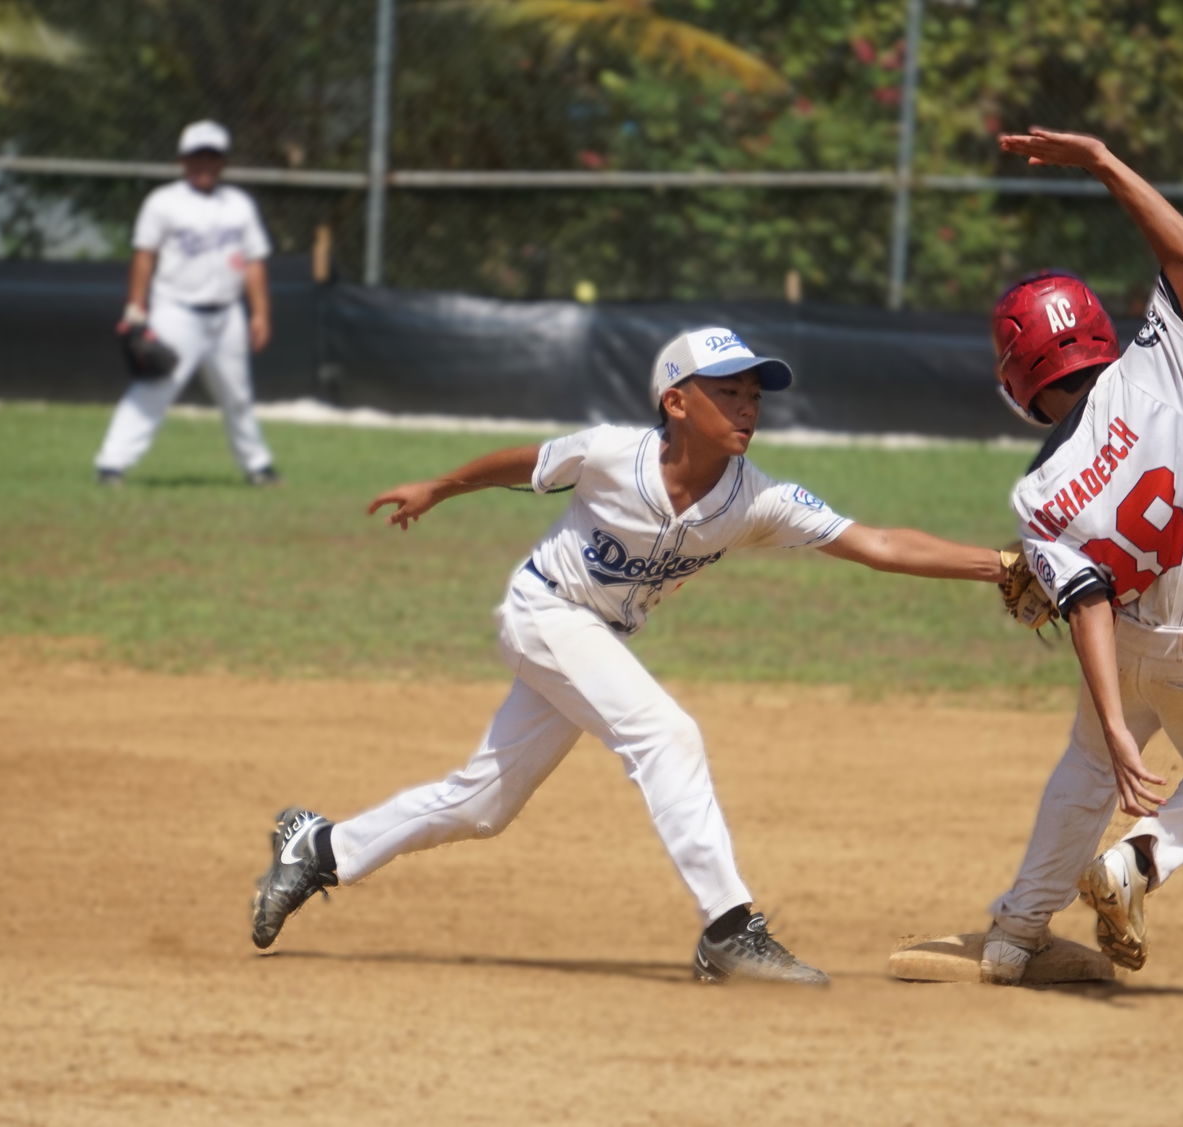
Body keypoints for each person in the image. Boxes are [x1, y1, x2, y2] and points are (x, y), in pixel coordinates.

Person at [249, 326, 1011, 985]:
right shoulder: (614, 453)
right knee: (665, 732)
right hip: (544, 611)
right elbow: (527, 463)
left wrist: (1002, 565)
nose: (749, 406)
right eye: (729, 392)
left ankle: (319, 845)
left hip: (597, 640)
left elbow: (877, 544)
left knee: (481, 806)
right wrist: (438, 487)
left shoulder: (756, 498)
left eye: (755, 394)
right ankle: (728, 929)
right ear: (676, 401)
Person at [974, 128, 1183, 985]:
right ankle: (1133, 864)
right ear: (1097, 334)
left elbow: (1088, 601)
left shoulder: (1036, 496)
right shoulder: (1157, 363)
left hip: (1130, 645)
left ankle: (1017, 931)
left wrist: (1113, 720)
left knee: (1088, 762)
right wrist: (1103, 161)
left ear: (1020, 376)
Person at [92, 119, 280, 487]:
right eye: (197, 157)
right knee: (154, 388)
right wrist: (136, 308)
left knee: (237, 394)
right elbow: (144, 255)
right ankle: (112, 464)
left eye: (211, 157)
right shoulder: (164, 202)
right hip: (177, 311)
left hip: (227, 314)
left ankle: (258, 466)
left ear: (223, 162)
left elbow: (254, 261)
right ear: (183, 160)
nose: (203, 165)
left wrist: (260, 313)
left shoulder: (239, 205)